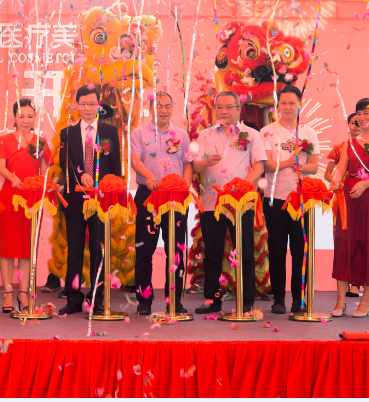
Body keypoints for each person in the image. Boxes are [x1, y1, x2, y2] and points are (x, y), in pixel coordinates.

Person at [192, 90, 266, 314]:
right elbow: (195, 166)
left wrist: (242, 187)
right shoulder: (205, 135)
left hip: (240, 203)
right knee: (212, 253)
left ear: (238, 109)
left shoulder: (251, 134)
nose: (224, 111)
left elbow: (259, 166)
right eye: (220, 107)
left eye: (228, 107)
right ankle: (213, 300)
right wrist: (206, 162)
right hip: (211, 202)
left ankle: (246, 301)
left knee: (244, 252)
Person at [57, 84, 122, 315]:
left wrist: (110, 191)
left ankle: (97, 297)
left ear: (98, 105)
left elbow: (115, 166)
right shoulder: (67, 133)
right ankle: (73, 298)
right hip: (75, 199)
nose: (87, 108)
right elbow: (64, 162)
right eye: (83, 104)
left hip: (101, 200)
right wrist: (80, 174)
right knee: (74, 250)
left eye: (92, 104)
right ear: (77, 105)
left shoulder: (109, 132)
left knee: (99, 250)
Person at [329, 98, 369, 318]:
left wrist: (365, 184)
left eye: (367, 113)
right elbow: (340, 168)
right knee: (344, 247)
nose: (362, 117)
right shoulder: (349, 143)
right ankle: (340, 301)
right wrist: (335, 179)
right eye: (359, 113)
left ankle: (365, 301)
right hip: (349, 201)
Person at [130, 92, 193, 315]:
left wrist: (184, 186)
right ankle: (144, 301)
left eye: (167, 106)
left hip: (175, 198)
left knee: (175, 250)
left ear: (172, 107)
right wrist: (150, 177)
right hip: (148, 196)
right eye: (159, 106)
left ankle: (174, 300)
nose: (163, 110)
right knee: (144, 250)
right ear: (150, 108)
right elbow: (135, 161)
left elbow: (188, 164)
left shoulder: (182, 135)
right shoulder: (139, 133)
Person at [261, 86, 320, 314]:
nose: (287, 107)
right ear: (278, 106)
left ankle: (298, 299)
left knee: (300, 252)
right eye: (283, 103)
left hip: (301, 201)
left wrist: (300, 166)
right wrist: (286, 163)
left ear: (299, 105)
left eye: (292, 103)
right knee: (276, 251)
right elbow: (265, 165)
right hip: (275, 199)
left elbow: (313, 166)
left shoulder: (309, 133)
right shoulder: (267, 132)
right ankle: (278, 299)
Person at [0, 98, 52, 313]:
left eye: (30, 116)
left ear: (35, 118)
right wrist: (12, 177)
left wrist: (43, 184)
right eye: (21, 116)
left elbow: (44, 172)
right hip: (9, 198)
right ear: (15, 117)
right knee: (8, 249)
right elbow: (0, 167)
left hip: (32, 200)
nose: (25, 120)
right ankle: (8, 293)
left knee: (27, 249)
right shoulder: (5, 140)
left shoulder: (41, 142)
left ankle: (24, 293)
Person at [324, 113, 362, 298]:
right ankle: (344, 282)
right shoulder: (339, 148)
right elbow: (327, 174)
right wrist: (339, 184)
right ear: (348, 125)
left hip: (361, 198)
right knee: (343, 241)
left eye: (359, 123)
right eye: (353, 123)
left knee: (360, 239)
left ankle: (356, 284)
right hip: (342, 200)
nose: (356, 126)